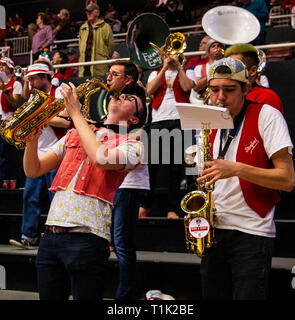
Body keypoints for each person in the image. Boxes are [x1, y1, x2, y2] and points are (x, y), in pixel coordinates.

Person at [22, 79, 146, 300]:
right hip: (50, 236)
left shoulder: (133, 145)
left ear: (134, 119)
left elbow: (101, 157)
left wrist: (75, 114)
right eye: (122, 94)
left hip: (89, 239)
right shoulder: (75, 133)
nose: (123, 96)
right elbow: (34, 170)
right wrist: (32, 140)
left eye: (131, 99)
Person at [197, 57, 295, 300]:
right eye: (214, 89)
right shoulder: (207, 122)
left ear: (246, 88)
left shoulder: (267, 115)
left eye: (229, 90)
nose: (220, 97)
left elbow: (287, 179)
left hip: (251, 232)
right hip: (214, 231)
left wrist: (237, 168)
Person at [9, 63, 71, 249]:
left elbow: (66, 121)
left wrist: (38, 115)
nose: (32, 83)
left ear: (46, 78)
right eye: (29, 80)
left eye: (34, 79)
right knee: (30, 196)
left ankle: (59, 237)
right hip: (36, 155)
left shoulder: (59, 92)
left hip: (56, 154)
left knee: (56, 198)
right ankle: (29, 236)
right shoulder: (33, 99)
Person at [106, 60, 150, 300]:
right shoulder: (119, 103)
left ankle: (128, 296)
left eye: (115, 74)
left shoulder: (133, 102)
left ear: (128, 80)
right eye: (109, 73)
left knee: (122, 243)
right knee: (118, 242)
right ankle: (132, 292)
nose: (109, 77)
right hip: (120, 183)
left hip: (130, 183)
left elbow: (132, 140)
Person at [146, 53, 195, 219]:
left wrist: (179, 67)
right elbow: (149, 91)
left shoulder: (188, 71)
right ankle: (146, 205)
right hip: (158, 121)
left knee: (175, 167)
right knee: (153, 165)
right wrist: (165, 67)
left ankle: (171, 208)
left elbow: (187, 87)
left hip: (179, 121)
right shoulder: (155, 73)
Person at [224, 43, 283, 113]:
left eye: (236, 67)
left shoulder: (267, 96)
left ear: (253, 71)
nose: (229, 72)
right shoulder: (223, 94)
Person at [0, 57, 22, 186]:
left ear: (10, 67)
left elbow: (14, 104)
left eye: (3, 65)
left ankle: (2, 180)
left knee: (3, 153)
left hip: (7, 120)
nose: (1, 67)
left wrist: (5, 90)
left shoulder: (16, 84)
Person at [79, 3, 114, 78]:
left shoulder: (105, 27)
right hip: (84, 67)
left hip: (99, 67)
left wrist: (104, 58)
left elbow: (111, 47)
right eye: (87, 12)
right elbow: (80, 46)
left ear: (97, 13)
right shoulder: (83, 28)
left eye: (90, 11)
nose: (88, 13)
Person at [192, 38, 224, 103]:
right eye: (213, 46)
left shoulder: (227, 65)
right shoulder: (199, 67)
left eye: (219, 46)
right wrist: (213, 73)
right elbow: (196, 87)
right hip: (205, 103)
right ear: (208, 51)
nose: (217, 47)